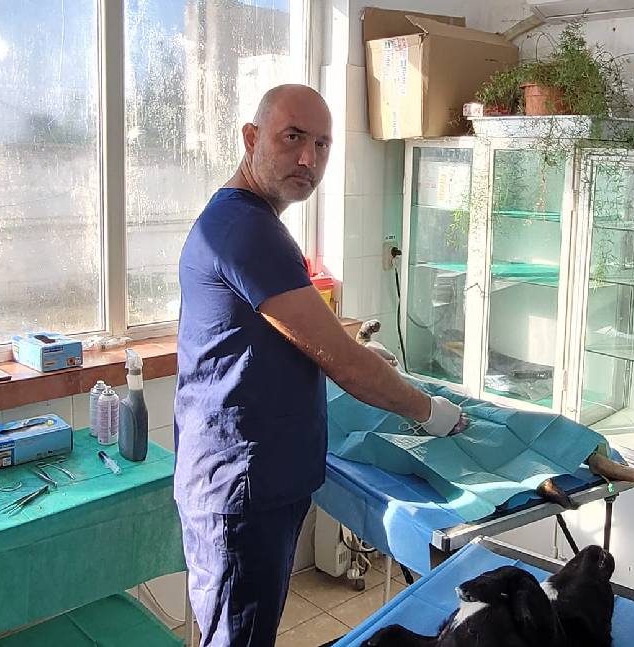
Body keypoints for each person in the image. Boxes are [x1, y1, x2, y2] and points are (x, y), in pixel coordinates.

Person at [174, 84, 467, 647]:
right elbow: (344, 367)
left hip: (248, 478)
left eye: (322, 144)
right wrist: (434, 413)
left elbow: (292, 335)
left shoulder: (246, 222)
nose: (308, 158)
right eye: (292, 138)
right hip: (243, 485)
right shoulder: (248, 230)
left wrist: (356, 348)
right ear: (251, 138)